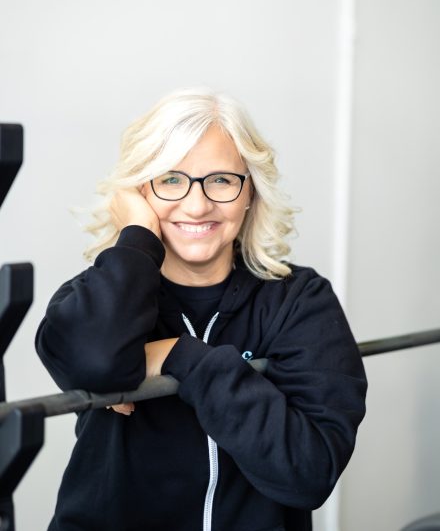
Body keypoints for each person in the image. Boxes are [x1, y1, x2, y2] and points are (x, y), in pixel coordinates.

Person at [35, 87, 367, 531]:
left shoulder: (299, 300)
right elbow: (96, 361)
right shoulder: (96, 298)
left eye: (222, 180)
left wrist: (179, 357)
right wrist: (136, 233)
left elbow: (307, 472)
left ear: (251, 192)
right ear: (137, 192)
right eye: (170, 179)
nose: (197, 204)